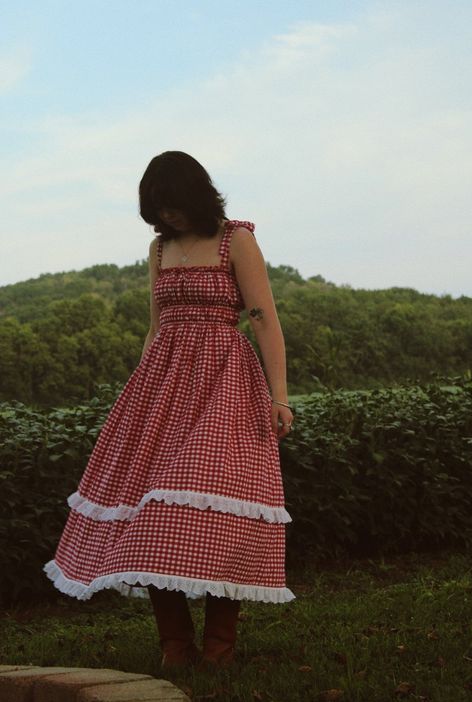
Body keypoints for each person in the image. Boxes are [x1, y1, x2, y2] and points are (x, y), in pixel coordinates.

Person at [43, 150, 296, 671]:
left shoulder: (236, 239)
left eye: (171, 205)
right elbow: (155, 328)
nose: (165, 217)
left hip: (226, 383)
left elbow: (264, 320)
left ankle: (219, 649)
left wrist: (279, 396)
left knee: (223, 508)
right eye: (156, 209)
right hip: (163, 387)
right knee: (150, 513)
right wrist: (139, 389)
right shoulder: (158, 250)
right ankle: (175, 647)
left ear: (194, 195)